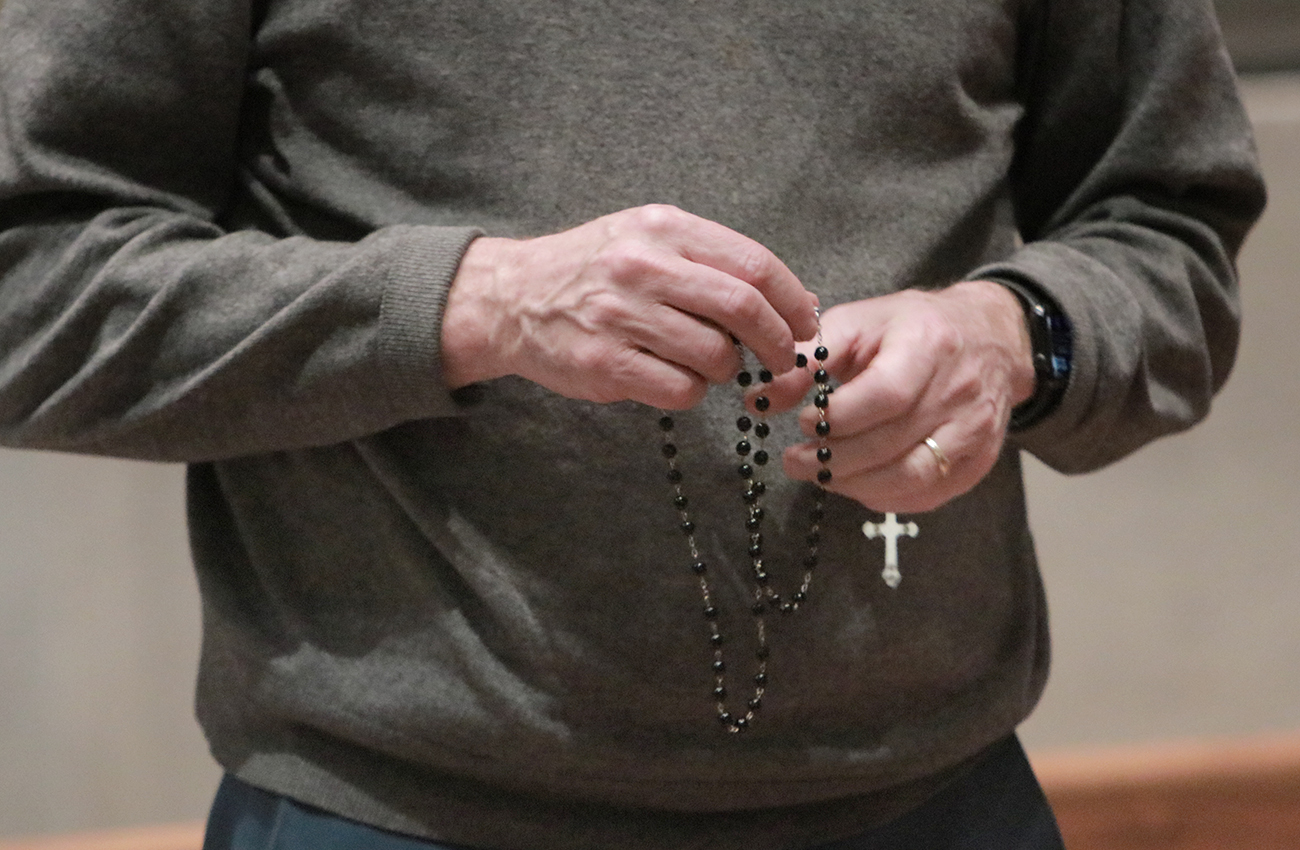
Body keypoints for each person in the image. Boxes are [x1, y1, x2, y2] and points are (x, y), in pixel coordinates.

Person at [0, 0, 1264, 848]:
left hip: (937, 801)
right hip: (390, 814)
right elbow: (28, 287)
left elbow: (1167, 234)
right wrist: (474, 304)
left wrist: (1016, 335)